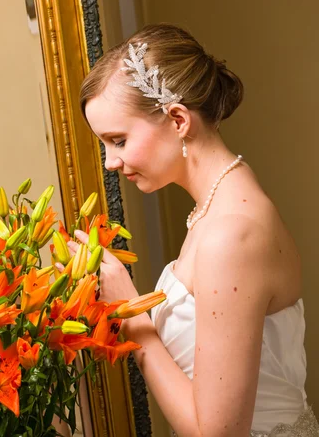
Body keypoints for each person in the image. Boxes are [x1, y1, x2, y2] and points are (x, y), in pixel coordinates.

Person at [74, 24, 319, 436]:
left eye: (118, 140)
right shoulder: (213, 209)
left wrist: (132, 317)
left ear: (177, 119)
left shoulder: (232, 232)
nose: (110, 162)